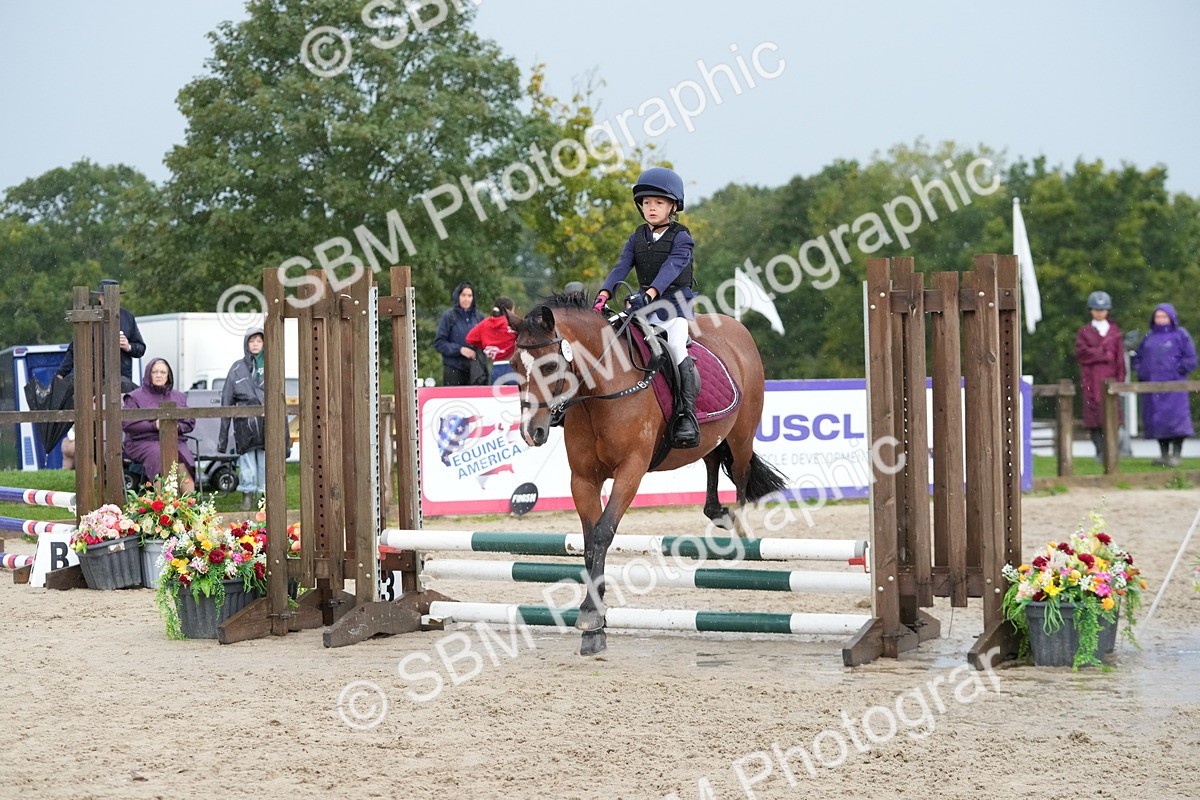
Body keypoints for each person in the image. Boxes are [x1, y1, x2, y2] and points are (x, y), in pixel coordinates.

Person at [593, 167, 700, 448]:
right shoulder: (636, 237)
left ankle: (686, 414)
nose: (651, 208)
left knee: (676, 347)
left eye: (659, 203)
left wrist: (650, 293)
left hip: (674, 306)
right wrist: (604, 293)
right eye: (647, 203)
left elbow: (671, 268)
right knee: (607, 338)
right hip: (643, 305)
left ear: (673, 206)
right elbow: (621, 267)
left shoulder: (682, 237)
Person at [1134, 303, 1197, 467]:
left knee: (1177, 422)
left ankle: (1176, 455)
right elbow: (1138, 358)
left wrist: (1177, 371)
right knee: (1158, 422)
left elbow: (1191, 359)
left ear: (1171, 317)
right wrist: (1142, 373)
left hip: (1175, 388)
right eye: (1157, 316)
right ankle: (1164, 455)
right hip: (1153, 388)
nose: (1160, 320)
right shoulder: (1148, 337)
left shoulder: (1181, 335)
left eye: (1163, 316)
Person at [56, 279, 146, 393]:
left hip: (121, 382)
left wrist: (128, 347)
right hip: (92, 381)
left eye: (113, 296)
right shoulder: (89, 317)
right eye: (105, 296)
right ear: (99, 297)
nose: (109, 300)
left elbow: (141, 349)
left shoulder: (128, 317)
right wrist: (61, 373)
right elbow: (74, 349)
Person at [122, 358, 196, 493]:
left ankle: (189, 507)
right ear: (148, 374)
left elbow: (190, 421)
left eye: (163, 372)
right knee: (159, 455)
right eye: (155, 372)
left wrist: (177, 427)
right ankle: (163, 505)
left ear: (168, 376)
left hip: (174, 440)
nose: (159, 375)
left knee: (181, 459)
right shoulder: (134, 397)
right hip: (142, 441)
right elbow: (127, 423)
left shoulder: (179, 397)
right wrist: (154, 425)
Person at [218, 329, 268, 510]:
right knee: (247, 464)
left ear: (264, 343)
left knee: (265, 463)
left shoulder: (272, 365)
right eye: (251, 341)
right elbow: (226, 399)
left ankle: (265, 498)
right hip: (244, 425)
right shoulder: (237, 368)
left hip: (266, 423)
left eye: (259, 340)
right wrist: (222, 440)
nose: (255, 344)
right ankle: (247, 495)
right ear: (246, 344)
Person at [1074, 291, 1126, 462]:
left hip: (1110, 379)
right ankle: (1099, 451)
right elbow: (1082, 355)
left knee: (1112, 417)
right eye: (1096, 309)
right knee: (1093, 419)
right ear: (1091, 310)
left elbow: (1119, 359)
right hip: (1091, 380)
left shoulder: (1115, 332)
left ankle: (1111, 451)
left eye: (1103, 309)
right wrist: (1102, 354)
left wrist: (1120, 380)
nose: (1099, 312)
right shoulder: (1084, 332)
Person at [433, 282, 484, 386]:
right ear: (458, 296)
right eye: (463, 295)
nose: (466, 299)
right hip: (453, 368)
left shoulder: (479, 317)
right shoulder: (449, 316)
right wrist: (460, 350)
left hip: (474, 369)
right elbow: (439, 343)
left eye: (469, 296)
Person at [466, 297, 517, 385]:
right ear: (509, 311)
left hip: (496, 369)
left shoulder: (485, 323)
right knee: (515, 398)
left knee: (498, 398)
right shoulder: (512, 323)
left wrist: (486, 345)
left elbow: (469, 338)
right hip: (512, 368)